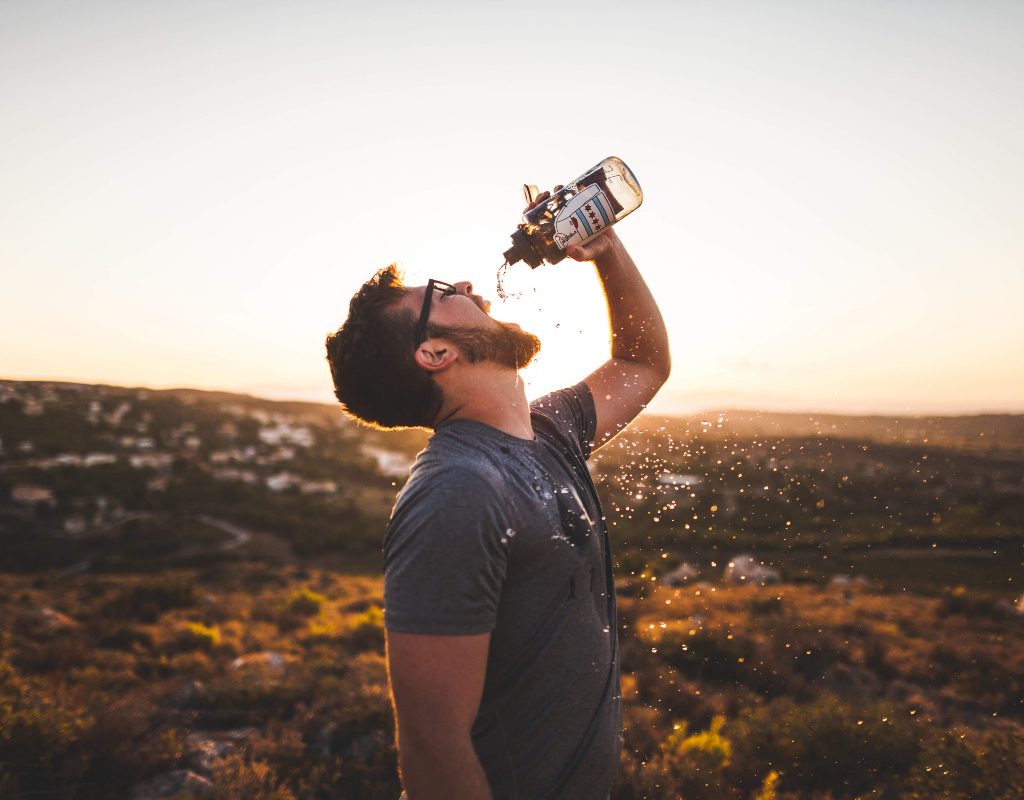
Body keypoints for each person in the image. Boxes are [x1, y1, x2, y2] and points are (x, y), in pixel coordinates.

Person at [324, 190, 670, 800]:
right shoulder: (457, 492)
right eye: (444, 292)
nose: (465, 284)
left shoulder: (547, 433)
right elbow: (433, 751)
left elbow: (642, 362)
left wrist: (607, 250)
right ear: (435, 353)